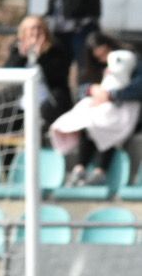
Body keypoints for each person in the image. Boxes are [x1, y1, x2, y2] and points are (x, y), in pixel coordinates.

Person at [52, 43, 139, 186]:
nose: (101, 57)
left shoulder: (131, 65)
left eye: (104, 52)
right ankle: (79, 169)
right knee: (90, 124)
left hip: (121, 115)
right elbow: (83, 89)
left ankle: (100, 172)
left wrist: (112, 95)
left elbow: (136, 88)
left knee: (106, 127)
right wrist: (91, 90)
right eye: (97, 55)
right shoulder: (93, 69)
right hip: (100, 114)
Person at [3, 15, 72, 139]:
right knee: (6, 121)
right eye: (31, 28)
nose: (35, 32)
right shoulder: (16, 49)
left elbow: (59, 77)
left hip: (49, 101)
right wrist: (22, 56)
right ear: (23, 32)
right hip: (22, 101)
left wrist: (42, 57)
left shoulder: (56, 49)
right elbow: (7, 74)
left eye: (39, 28)